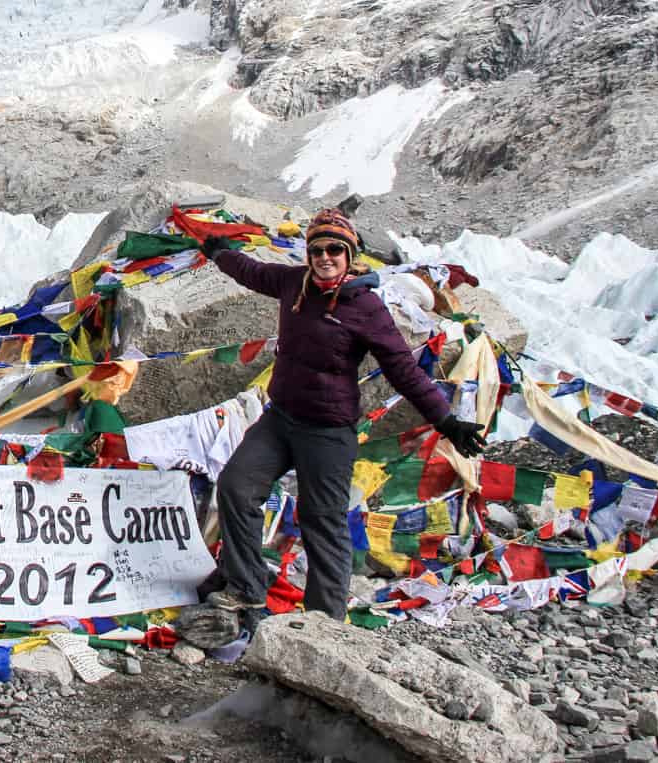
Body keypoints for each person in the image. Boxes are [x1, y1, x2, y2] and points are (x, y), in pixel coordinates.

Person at [197, 208, 486, 620]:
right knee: (236, 487)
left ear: (349, 255)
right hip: (280, 420)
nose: (325, 257)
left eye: (335, 249)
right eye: (317, 250)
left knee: (322, 522)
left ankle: (325, 622)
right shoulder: (294, 283)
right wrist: (221, 254)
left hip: (329, 432)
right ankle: (246, 587)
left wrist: (446, 420)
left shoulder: (366, 307)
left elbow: (402, 369)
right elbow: (254, 272)